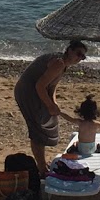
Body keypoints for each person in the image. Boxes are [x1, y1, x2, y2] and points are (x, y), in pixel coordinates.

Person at [13, 40, 87, 175]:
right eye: (78, 53)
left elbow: (51, 86)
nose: (79, 58)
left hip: (36, 91)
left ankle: (41, 163)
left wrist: (53, 103)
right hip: (28, 92)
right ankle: (41, 168)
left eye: (83, 56)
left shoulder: (64, 65)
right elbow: (40, 86)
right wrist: (48, 105)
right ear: (69, 50)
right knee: (37, 128)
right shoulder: (58, 63)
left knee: (45, 123)